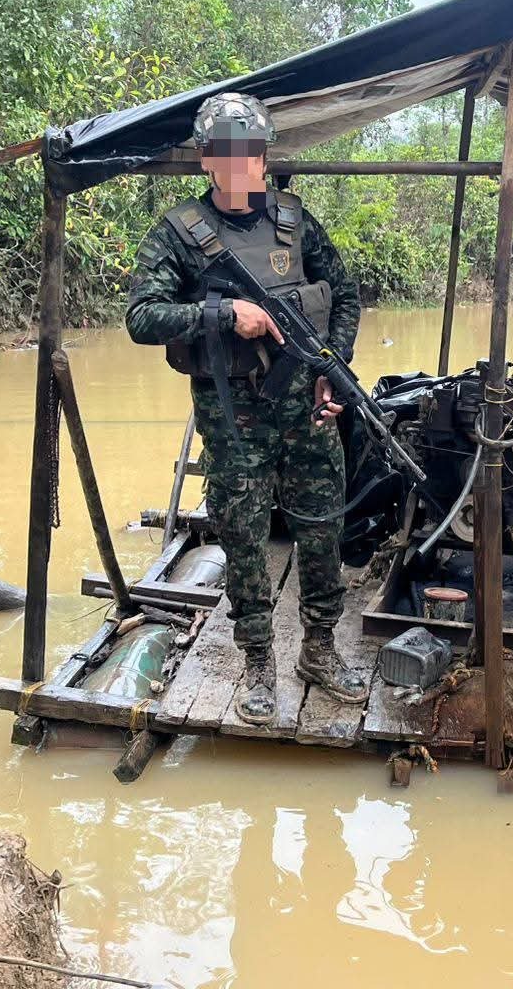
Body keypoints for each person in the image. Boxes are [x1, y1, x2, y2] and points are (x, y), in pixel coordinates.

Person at [125, 92, 368, 725]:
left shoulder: (295, 222)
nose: (240, 167)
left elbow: (345, 295)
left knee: (322, 529)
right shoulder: (179, 234)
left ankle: (319, 648)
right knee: (244, 539)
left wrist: (332, 372)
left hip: (309, 412)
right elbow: (140, 317)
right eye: (226, 155)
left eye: (250, 153)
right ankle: (258, 662)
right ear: (207, 160)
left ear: (263, 156)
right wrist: (224, 314)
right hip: (235, 423)